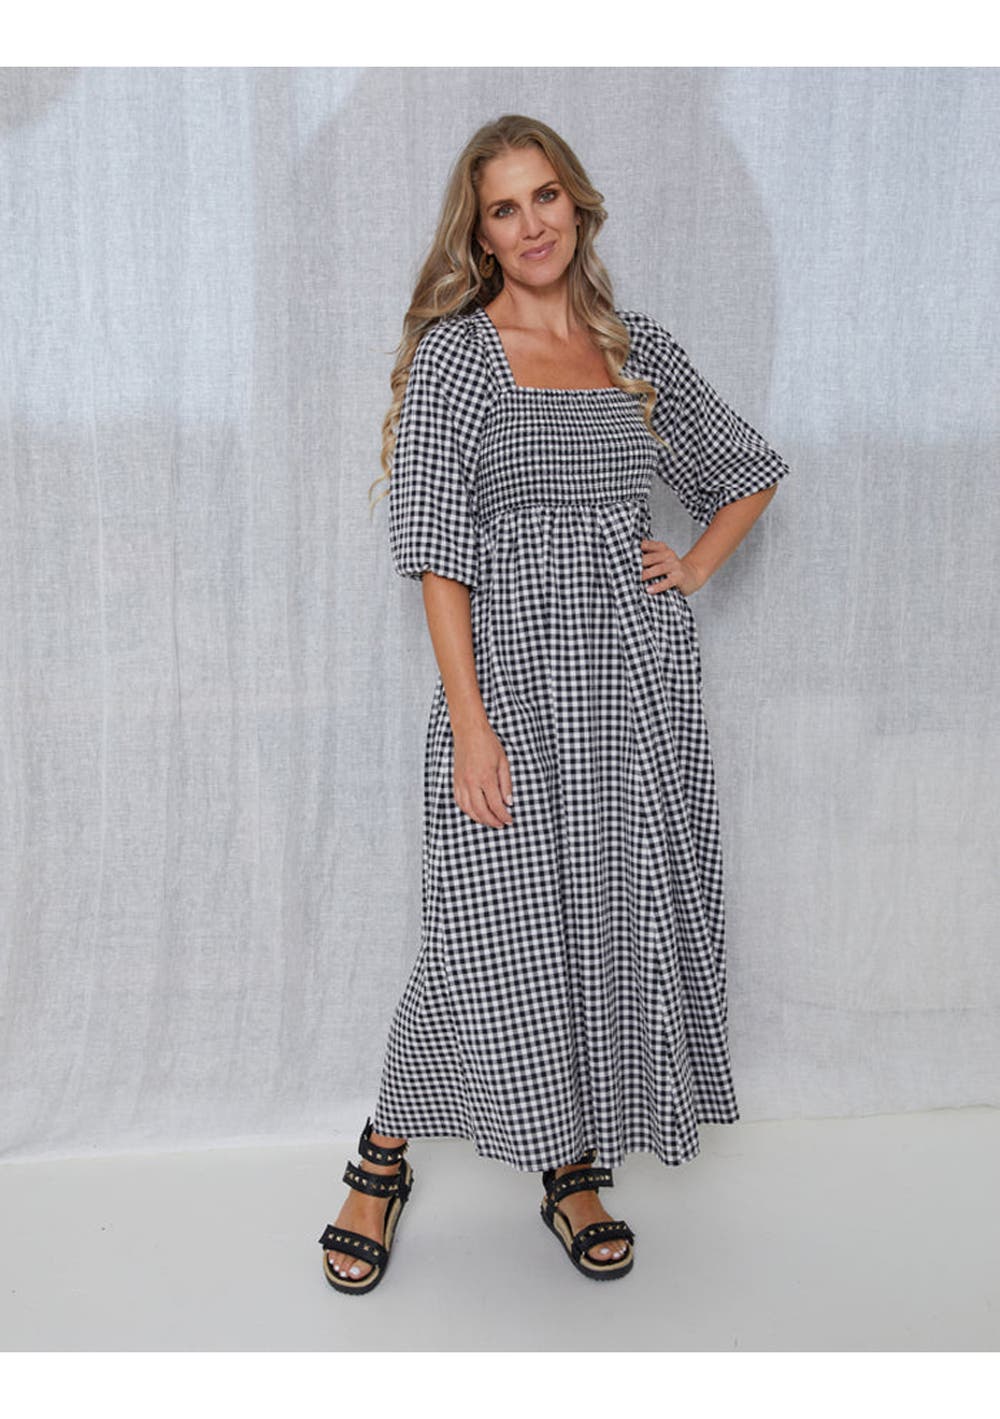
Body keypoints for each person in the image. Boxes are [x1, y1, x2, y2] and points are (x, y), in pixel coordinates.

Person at [318, 114, 792, 1294]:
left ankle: (571, 1169)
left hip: (632, 697)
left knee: (602, 923)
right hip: (513, 697)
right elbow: (435, 550)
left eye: (544, 197)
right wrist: (471, 726)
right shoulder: (458, 356)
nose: (530, 224)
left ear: (576, 204)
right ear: (478, 234)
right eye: (503, 208)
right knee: (483, 936)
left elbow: (747, 470)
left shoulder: (636, 351)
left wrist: (693, 564)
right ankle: (382, 1155)